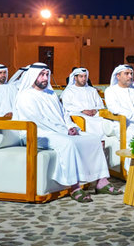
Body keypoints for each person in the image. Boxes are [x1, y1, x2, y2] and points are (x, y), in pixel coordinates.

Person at [14, 63, 120, 203]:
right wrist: (64, 131)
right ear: (33, 76)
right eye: (41, 75)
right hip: (37, 133)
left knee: (94, 139)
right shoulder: (25, 96)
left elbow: (64, 115)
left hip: (59, 131)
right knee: (68, 143)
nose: (45, 78)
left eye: (47, 74)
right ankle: (74, 187)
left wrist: (72, 127)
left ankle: (101, 182)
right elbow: (38, 121)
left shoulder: (51, 94)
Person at [61, 67, 117, 138]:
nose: (84, 79)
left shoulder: (92, 90)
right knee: (90, 121)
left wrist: (95, 110)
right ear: (75, 78)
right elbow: (66, 106)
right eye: (81, 76)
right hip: (78, 114)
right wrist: (82, 111)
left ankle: (105, 140)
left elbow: (100, 104)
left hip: (94, 114)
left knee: (106, 120)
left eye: (85, 76)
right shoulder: (68, 91)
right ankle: (95, 140)